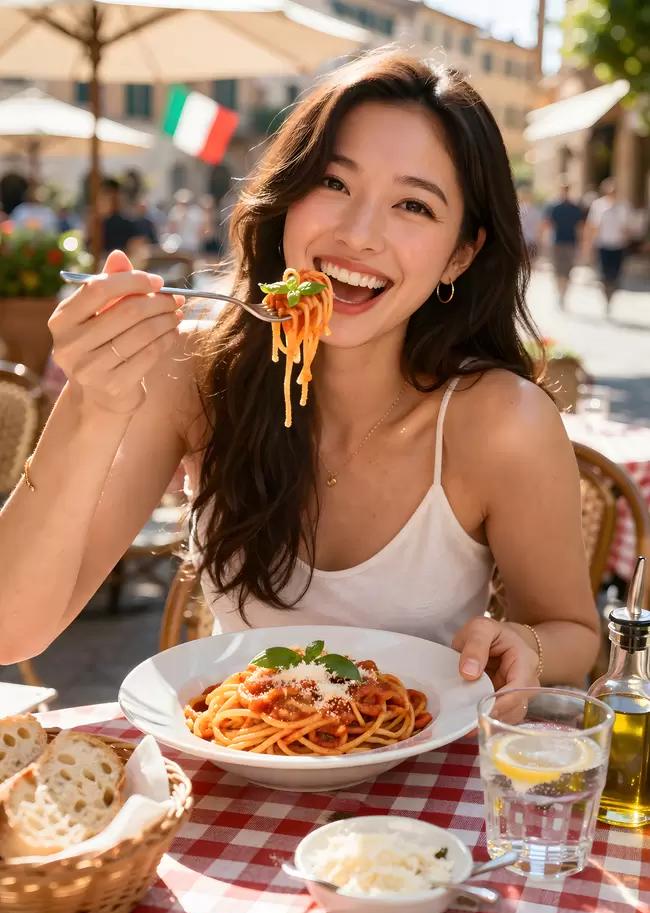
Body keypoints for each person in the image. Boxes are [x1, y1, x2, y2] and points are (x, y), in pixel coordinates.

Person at [0, 51, 599, 718]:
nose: (359, 234)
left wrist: (526, 646)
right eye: (333, 183)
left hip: (428, 778)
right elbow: (11, 629)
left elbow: (573, 631)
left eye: (412, 205)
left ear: (460, 253)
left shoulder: (501, 422)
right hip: (236, 757)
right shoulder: (195, 373)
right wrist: (91, 404)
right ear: (286, 197)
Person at [584, 178, 631, 316]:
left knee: (615, 274)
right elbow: (592, 226)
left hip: (618, 245)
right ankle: (606, 298)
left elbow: (627, 227)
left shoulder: (623, 206)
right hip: (603, 244)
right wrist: (588, 246)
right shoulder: (598, 205)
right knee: (604, 274)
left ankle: (611, 297)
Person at [542, 181, 584, 308]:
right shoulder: (553, 207)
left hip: (571, 243)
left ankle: (563, 294)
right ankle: (560, 293)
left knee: (567, 270)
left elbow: (580, 227)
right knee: (557, 269)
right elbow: (547, 224)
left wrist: (582, 245)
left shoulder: (575, 208)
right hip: (557, 242)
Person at [166, 188, 204, 252]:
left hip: (193, 244)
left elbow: (200, 228)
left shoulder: (196, 212)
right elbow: (171, 229)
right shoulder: (174, 211)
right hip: (178, 244)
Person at [518, 187, 542, 261]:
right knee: (531, 262)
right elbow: (540, 227)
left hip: (523, 241)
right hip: (531, 240)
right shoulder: (536, 211)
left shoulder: (518, 210)